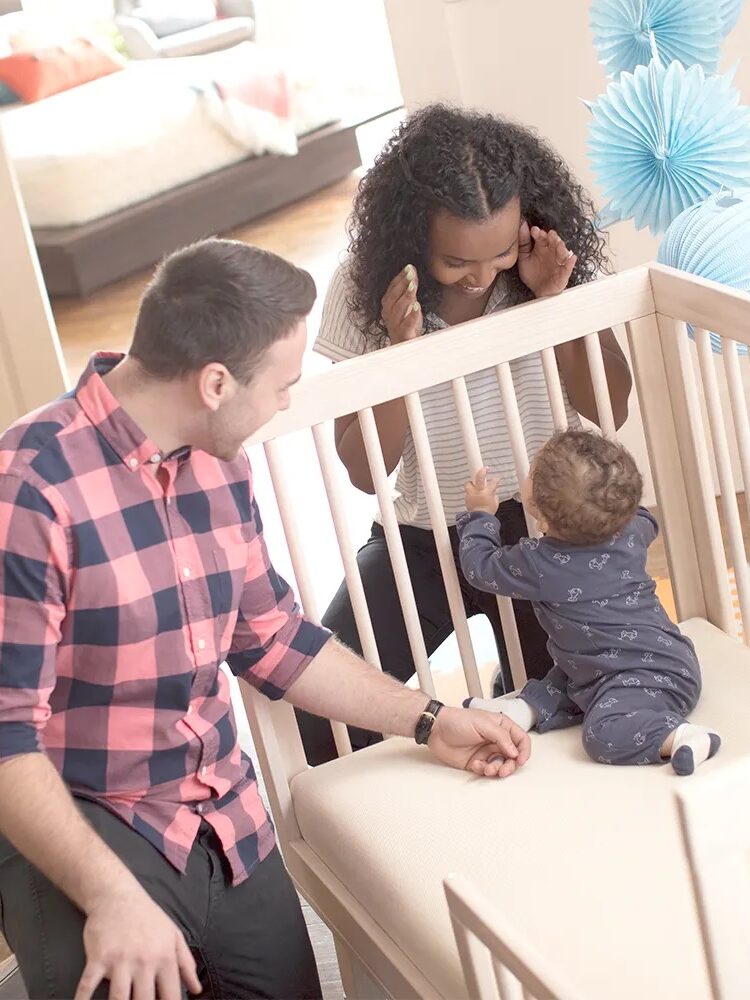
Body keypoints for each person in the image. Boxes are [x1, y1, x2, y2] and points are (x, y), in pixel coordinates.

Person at [0, 239, 531, 1000]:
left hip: (220, 806)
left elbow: (275, 639)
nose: (288, 401)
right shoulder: (30, 490)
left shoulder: (219, 461)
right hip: (86, 817)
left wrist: (428, 718)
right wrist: (114, 895)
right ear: (216, 382)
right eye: (283, 385)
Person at [301, 103, 633, 765]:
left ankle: (509, 717)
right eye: (456, 261)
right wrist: (399, 352)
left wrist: (554, 303)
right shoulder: (366, 289)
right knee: (321, 705)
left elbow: (610, 406)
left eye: (500, 252)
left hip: (548, 532)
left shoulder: (545, 268)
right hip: (428, 536)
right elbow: (366, 469)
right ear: (410, 238)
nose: (482, 277)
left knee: (567, 700)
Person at [459, 431, 721, 775]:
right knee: (564, 678)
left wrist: (481, 515)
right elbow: (645, 518)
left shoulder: (539, 564)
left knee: (601, 733)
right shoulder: (631, 532)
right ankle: (523, 711)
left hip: (646, 682)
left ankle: (678, 736)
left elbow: (480, 567)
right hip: (663, 661)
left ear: (541, 516)